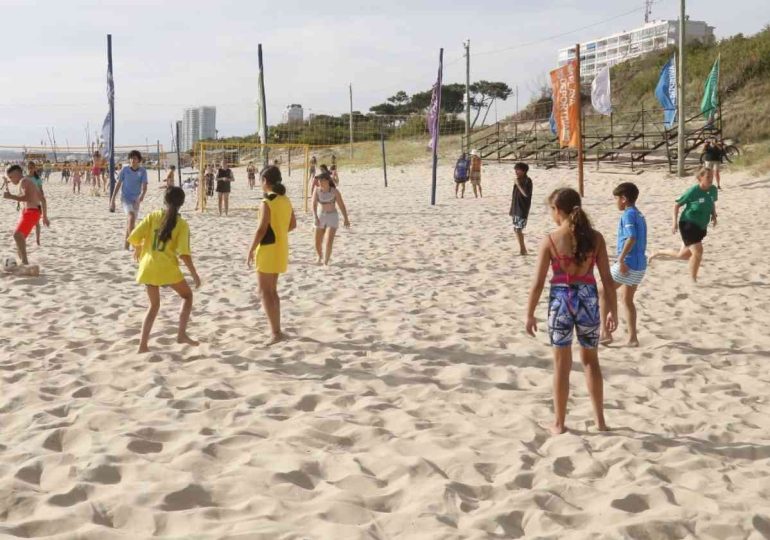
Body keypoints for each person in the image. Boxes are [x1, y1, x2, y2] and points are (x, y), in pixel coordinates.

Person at [525, 187, 617, 435]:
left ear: (558, 210)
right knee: (591, 361)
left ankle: (559, 423)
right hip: (588, 299)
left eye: (552, 210)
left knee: (561, 365)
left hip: (561, 300)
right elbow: (607, 280)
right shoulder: (596, 238)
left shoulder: (551, 239)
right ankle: (600, 421)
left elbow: (537, 283)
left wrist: (529, 313)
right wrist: (613, 311)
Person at [127, 186, 201, 353]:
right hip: (167, 268)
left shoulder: (153, 216)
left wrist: (138, 247)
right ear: (181, 204)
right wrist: (195, 275)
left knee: (153, 306)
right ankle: (181, 334)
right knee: (187, 296)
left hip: (148, 267)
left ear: (164, 201)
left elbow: (133, 237)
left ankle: (142, 346)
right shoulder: (181, 224)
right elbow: (184, 254)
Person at [247, 166, 296, 345]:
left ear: (265, 181)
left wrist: (250, 249)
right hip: (281, 247)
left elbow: (261, 229)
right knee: (272, 291)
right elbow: (293, 224)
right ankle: (277, 329)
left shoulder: (267, 202)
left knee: (264, 292)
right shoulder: (285, 200)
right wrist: (279, 230)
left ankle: (275, 333)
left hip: (268, 249)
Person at [600, 182, 647, 347]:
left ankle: (605, 333)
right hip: (640, 264)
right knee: (626, 299)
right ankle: (633, 337)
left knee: (603, 290)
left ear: (624, 199)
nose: (616, 202)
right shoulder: (639, 214)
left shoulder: (628, 214)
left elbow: (632, 237)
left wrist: (620, 259)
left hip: (629, 262)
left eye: (616, 199)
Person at [649, 167, 717, 282]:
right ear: (700, 178)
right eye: (708, 177)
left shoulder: (713, 189)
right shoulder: (693, 191)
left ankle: (657, 252)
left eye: (712, 177)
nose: (711, 180)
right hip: (688, 224)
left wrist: (714, 215)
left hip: (701, 226)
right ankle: (693, 280)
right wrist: (674, 223)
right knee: (698, 252)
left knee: (683, 255)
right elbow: (676, 205)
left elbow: (711, 203)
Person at [3, 164, 47, 267]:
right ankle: (22, 264)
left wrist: (10, 197)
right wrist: (44, 216)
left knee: (17, 235)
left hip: (31, 212)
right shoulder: (28, 181)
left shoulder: (24, 181)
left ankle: (25, 263)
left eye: (11, 177)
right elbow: (43, 199)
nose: (11, 180)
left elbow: (27, 198)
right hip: (33, 212)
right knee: (19, 240)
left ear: (17, 174)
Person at [109, 150, 149, 250]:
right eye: (131, 158)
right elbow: (118, 184)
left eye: (135, 158)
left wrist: (141, 197)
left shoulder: (142, 171)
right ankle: (136, 246)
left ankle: (126, 247)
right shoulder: (125, 170)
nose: (132, 160)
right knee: (131, 217)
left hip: (136, 199)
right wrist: (112, 200)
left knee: (130, 222)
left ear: (139, 160)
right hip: (125, 198)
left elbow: (144, 187)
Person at [312, 172, 350, 265]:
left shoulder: (334, 191)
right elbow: (313, 204)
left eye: (322, 180)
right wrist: (315, 217)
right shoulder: (316, 190)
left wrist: (346, 218)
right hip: (321, 215)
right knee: (317, 241)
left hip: (332, 216)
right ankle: (320, 256)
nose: (319, 182)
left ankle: (326, 261)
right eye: (319, 180)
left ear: (327, 180)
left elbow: (341, 205)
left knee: (329, 240)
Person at [510, 162, 533, 255]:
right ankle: (522, 249)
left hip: (522, 209)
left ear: (523, 171)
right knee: (516, 229)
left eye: (517, 169)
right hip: (516, 208)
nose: (516, 171)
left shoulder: (528, 181)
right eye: (515, 169)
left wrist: (518, 184)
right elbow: (514, 195)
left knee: (518, 229)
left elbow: (525, 194)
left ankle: (523, 249)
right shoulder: (518, 179)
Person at [26, 161, 49, 247]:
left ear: (35, 168)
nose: (31, 169)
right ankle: (25, 237)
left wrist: (42, 196)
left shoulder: (37, 179)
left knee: (37, 223)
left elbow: (41, 189)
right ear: (27, 168)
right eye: (29, 167)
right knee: (27, 221)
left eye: (32, 167)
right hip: (27, 202)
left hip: (36, 202)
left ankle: (37, 240)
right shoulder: (26, 178)